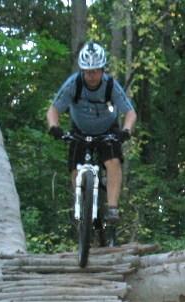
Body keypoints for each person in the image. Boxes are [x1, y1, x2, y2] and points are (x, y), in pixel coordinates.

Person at [46, 41, 137, 223]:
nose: (92, 75)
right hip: (80, 129)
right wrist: (54, 127)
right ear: (82, 70)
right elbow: (53, 110)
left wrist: (126, 130)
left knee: (113, 162)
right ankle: (81, 203)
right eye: (88, 71)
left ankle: (112, 208)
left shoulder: (110, 85)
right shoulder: (74, 84)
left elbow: (130, 112)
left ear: (102, 69)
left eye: (95, 70)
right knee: (74, 168)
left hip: (107, 130)